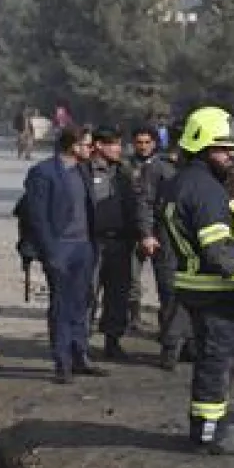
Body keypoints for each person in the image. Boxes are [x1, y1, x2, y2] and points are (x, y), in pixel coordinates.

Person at [165, 107, 234, 453]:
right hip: (214, 290)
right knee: (216, 362)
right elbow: (218, 250)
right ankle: (211, 435)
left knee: (211, 359)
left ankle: (210, 425)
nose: (231, 155)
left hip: (195, 287)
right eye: (223, 149)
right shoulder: (206, 190)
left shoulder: (183, 181)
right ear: (202, 146)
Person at [24, 127, 104, 383]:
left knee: (83, 303)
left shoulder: (83, 171)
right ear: (73, 146)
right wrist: (50, 253)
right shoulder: (43, 173)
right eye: (88, 145)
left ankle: (80, 355)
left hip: (84, 247)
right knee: (61, 304)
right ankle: (62, 362)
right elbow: (37, 217)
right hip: (60, 247)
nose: (92, 149)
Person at [86, 127, 149, 361]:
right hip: (93, 242)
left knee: (118, 295)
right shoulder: (85, 171)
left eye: (119, 144)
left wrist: (142, 234)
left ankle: (112, 342)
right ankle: (81, 343)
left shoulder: (124, 173)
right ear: (99, 146)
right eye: (113, 144)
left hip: (121, 243)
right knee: (89, 294)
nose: (118, 149)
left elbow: (138, 204)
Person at [128, 125, 186, 369]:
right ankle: (170, 345)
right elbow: (146, 202)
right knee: (170, 293)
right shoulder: (159, 168)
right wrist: (147, 233)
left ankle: (188, 343)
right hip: (166, 238)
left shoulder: (206, 168)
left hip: (195, 241)